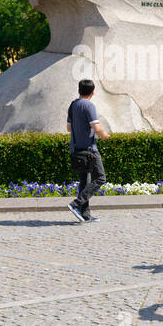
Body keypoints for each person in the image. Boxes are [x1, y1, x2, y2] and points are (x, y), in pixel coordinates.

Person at [67, 79, 108, 222]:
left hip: (76, 150)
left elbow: (69, 128)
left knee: (84, 181)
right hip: (90, 150)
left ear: (79, 90)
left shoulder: (72, 105)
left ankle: (85, 215)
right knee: (101, 178)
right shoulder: (89, 106)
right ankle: (76, 204)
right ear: (93, 92)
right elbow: (96, 128)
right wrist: (105, 135)